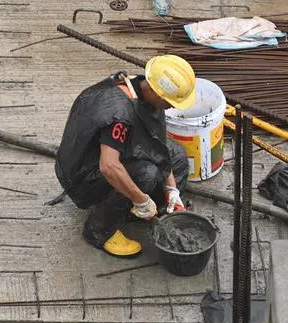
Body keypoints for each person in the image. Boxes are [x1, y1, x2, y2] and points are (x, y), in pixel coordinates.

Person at [54, 55, 197, 257]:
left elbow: (158, 145)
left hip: (115, 153)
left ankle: (156, 208)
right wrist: (141, 200)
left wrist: (172, 189)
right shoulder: (119, 113)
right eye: (170, 101)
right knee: (146, 173)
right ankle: (99, 230)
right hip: (85, 174)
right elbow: (109, 167)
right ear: (157, 91)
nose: (172, 107)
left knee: (177, 155)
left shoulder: (141, 88)